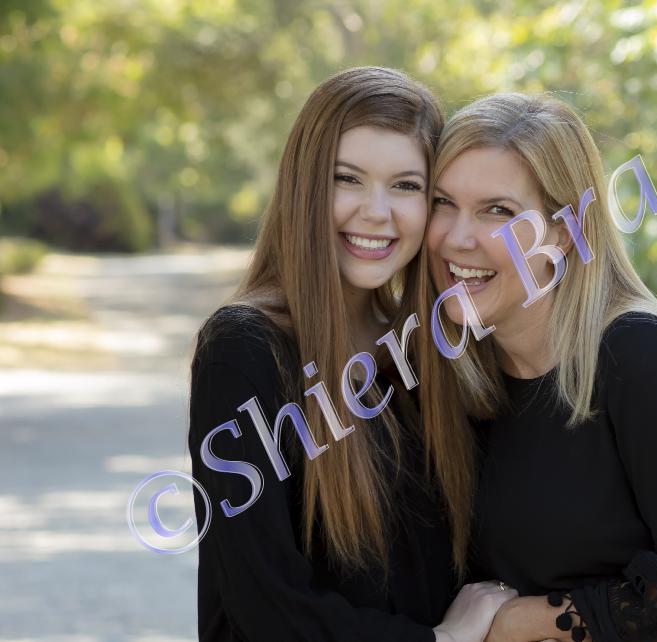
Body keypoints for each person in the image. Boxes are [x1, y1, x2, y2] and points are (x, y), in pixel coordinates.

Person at [423, 92, 657, 641]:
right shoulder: (456, 373)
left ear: (563, 233)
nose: (456, 238)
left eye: (498, 211)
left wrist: (519, 622)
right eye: (443, 203)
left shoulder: (637, 355)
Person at [187, 66, 515, 642]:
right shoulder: (243, 349)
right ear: (305, 186)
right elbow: (263, 604)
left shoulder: (429, 351)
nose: (376, 211)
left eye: (406, 186)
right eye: (347, 179)